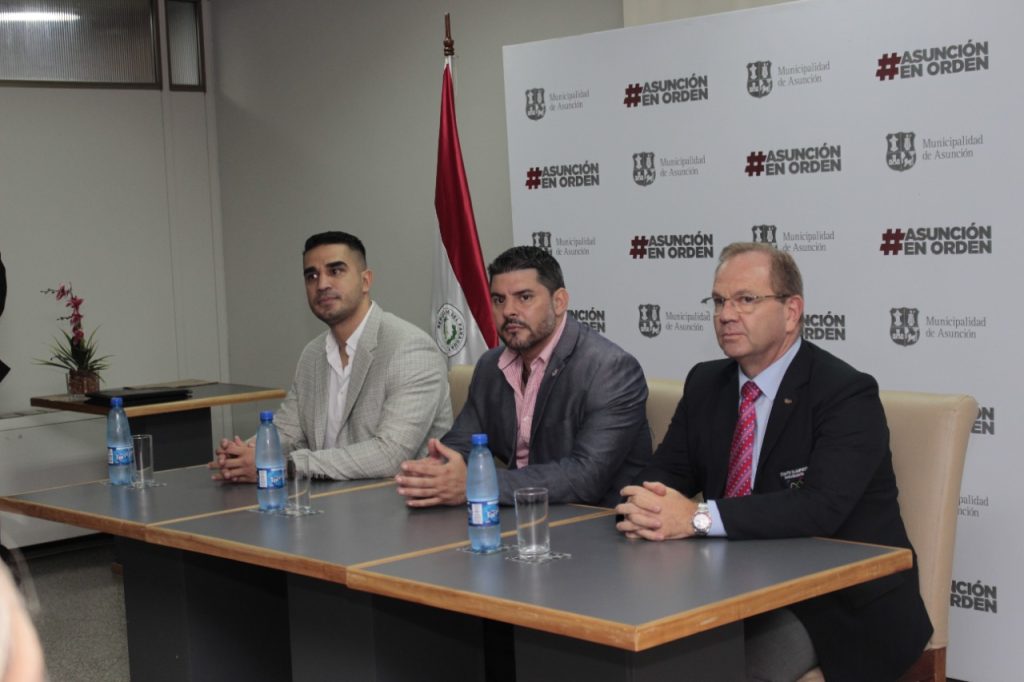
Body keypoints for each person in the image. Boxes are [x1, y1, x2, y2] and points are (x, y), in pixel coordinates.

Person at [616, 242, 932, 682]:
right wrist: (647, 505)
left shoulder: (845, 392)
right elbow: (666, 471)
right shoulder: (706, 382)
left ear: (791, 312)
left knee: (721, 670)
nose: (726, 315)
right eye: (719, 301)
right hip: (731, 585)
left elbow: (820, 506)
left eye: (745, 299)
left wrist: (696, 518)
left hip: (839, 600)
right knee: (631, 654)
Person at [396, 245, 651, 508]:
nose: (509, 311)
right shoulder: (490, 366)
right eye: (499, 300)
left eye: (525, 297)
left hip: (596, 520)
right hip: (520, 513)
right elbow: (462, 443)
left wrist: (478, 484)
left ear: (559, 302)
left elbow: (584, 478)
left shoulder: (610, 370)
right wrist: (437, 471)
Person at [211, 231, 452, 481]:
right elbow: (289, 431)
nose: (322, 284)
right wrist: (245, 453)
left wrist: (283, 465)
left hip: (393, 499)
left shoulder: (410, 349)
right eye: (312, 276)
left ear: (366, 281)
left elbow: (389, 455)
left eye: (335, 271)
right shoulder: (313, 354)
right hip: (326, 497)